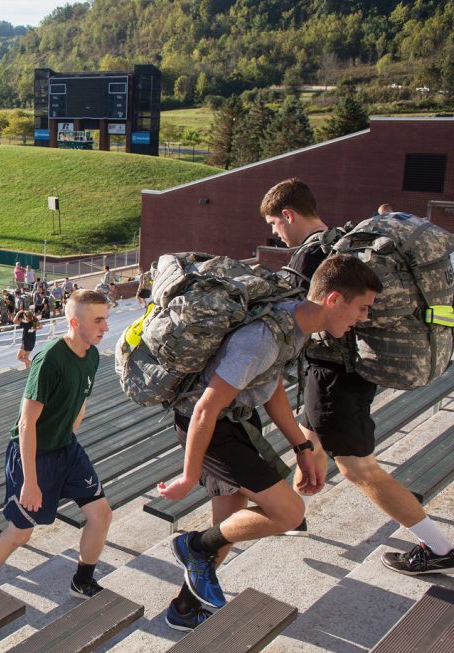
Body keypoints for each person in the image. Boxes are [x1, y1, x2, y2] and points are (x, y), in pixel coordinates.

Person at [157, 255, 380, 628]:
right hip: (212, 428)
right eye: (362, 308)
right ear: (334, 299)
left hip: (237, 421)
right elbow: (203, 410)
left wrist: (302, 447)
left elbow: (270, 384)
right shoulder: (261, 337)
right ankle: (192, 545)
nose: (363, 318)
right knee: (288, 513)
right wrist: (187, 474)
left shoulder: (292, 324)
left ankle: (183, 608)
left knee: (229, 523)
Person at [263, 178, 454, 574]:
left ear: (288, 215)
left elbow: (292, 323)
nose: (274, 234)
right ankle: (291, 513)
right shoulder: (344, 241)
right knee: (309, 433)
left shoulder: (309, 260)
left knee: (356, 467)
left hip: (336, 373)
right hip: (351, 368)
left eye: (274, 225)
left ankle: (438, 548)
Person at [0, 290, 112, 602]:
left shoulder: (94, 354)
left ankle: (82, 581)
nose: (105, 327)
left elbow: (80, 402)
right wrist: (30, 481)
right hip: (32, 454)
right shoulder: (50, 360)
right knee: (20, 532)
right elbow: (26, 423)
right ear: (74, 322)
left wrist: (68, 435)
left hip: (66, 449)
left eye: (106, 319)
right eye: (98, 320)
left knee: (101, 513)